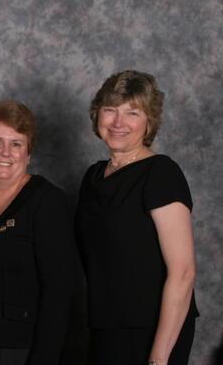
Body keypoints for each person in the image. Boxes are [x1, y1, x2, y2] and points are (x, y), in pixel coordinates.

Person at [75, 70, 198, 365]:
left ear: (149, 122)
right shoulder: (93, 177)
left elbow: (183, 273)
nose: (118, 123)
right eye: (110, 110)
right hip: (103, 325)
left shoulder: (160, 173)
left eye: (132, 112)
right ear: (97, 116)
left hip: (153, 330)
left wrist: (159, 357)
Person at [0, 100, 81, 365]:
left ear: (29, 153)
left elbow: (59, 292)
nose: (6, 153)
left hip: (20, 351)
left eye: (16, 144)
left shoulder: (47, 202)